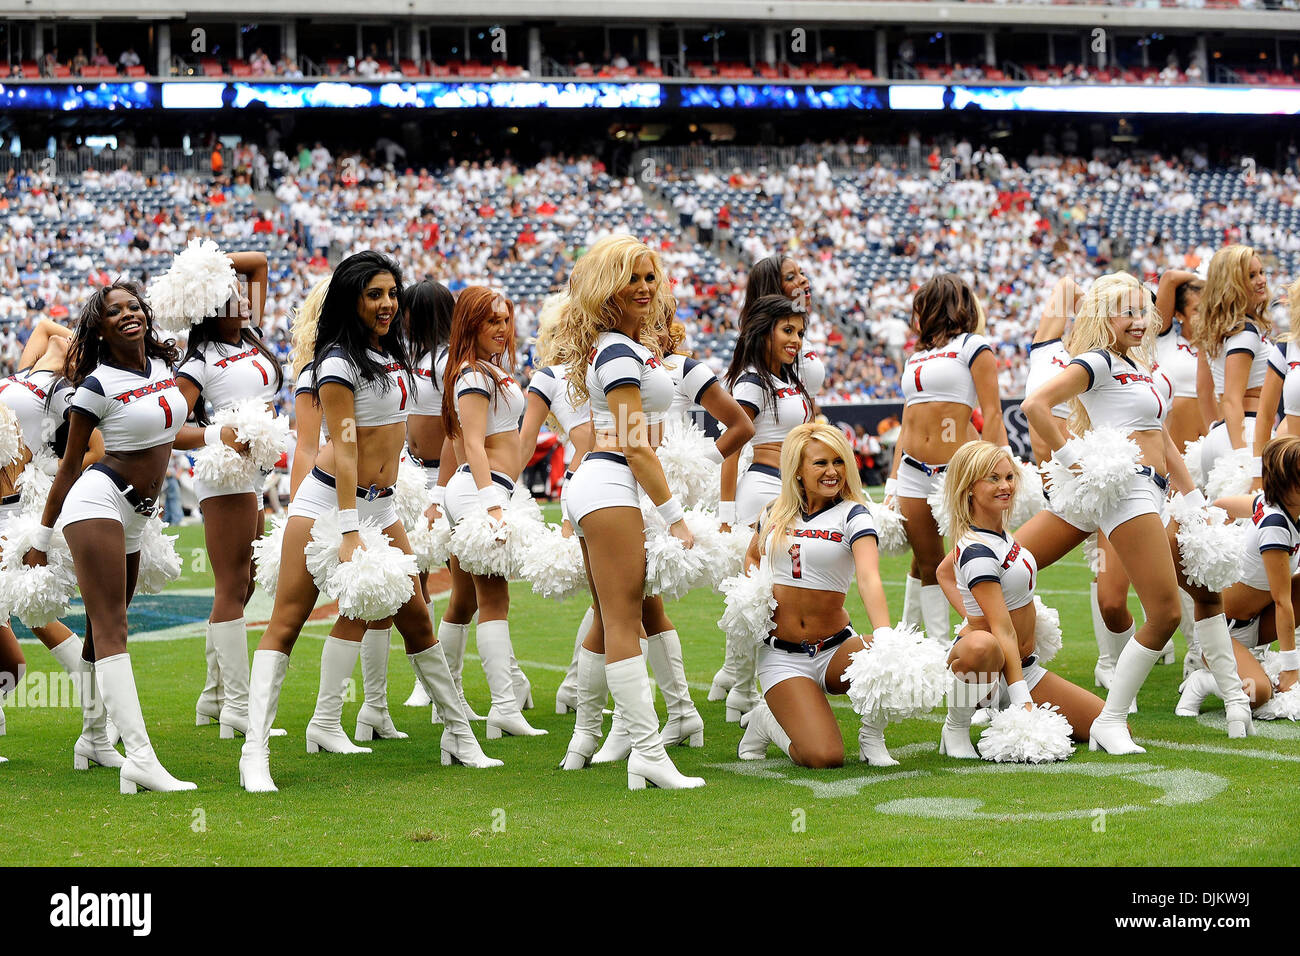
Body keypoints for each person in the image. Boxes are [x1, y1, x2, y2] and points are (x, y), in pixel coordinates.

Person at [239, 252, 498, 793]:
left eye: (391, 293)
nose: (386, 304)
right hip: (331, 505)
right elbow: (348, 447)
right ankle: (254, 752)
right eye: (373, 294)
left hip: (380, 505)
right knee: (286, 623)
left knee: (419, 621)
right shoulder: (335, 364)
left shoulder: (390, 355)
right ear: (351, 299)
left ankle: (459, 736)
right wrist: (352, 529)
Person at [1017, 273, 1214, 752]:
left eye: (1143, 311)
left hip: (1149, 489)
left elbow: (1161, 438)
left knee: (1013, 565)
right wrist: (1075, 464)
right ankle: (1110, 719)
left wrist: (1191, 503)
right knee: (1165, 612)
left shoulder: (1134, 365)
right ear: (1104, 317)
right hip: (1124, 488)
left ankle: (1008, 681)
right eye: (1127, 312)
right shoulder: (1098, 361)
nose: (1139, 320)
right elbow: (1035, 405)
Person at [25, 282, 200, 793]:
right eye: (114, 311)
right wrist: (40, 539)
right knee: (113, 626)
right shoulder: (95, 387)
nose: (128, 314)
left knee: (104, 633)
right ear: (99, 328)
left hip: (138, 516)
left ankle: (93, 737)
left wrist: (221, 435)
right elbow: (67, 469)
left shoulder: (165, 371)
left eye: (133, 306)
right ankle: (140, 758)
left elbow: (173, 434)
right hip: (96, 501)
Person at [551, 235, 704, 789]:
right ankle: (646, 751)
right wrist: (676, 517)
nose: (644, 288)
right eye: (631, 278)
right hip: (611, 482)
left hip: (602, 486)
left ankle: (591, 739)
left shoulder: (621, 346)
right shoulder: (616, 351)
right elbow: (635, 443)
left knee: (612, 617)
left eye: (649, 277)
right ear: (605, 287)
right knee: (622, 620)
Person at [735, 422, 895, 767]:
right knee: (823, 756)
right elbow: (752, 555)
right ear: (798, 469)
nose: (832, 471)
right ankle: (765, 722)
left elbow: (868, 578)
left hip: (837, 647)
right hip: (782, 655)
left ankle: (872, 737)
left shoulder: (854, 513)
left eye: (839, 461)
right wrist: (754, 595)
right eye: (820, 463)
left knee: (888, 661)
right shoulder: (773, 512)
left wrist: (884, 637)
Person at [935, 441, 1105, 757]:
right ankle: (956, 726)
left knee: (1101, 722)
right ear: (969, 488)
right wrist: (1021, 698)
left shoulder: (998, 534)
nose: (1005, 486)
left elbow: (944, 571)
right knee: (982, 645)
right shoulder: (976, 549)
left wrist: (972, 613)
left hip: (1024, 666)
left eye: (1009, 477)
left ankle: (1001, 703)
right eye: (993, 479)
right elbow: (1002, 630)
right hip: (986, 668)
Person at [0, 319, 116, 771]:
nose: (67, 338)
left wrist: (46, 474)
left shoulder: (67, 392)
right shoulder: (28, 371)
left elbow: (97, 451)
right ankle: (98, 715)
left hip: (14, 513)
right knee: (13, 660)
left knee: (30, 630)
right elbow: (49, 325)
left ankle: (98, 712)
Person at [174, 251, 279, 740]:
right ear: (211, 308)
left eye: (239, 294)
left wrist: (208, 268)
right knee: (231, 585)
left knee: (245, 585)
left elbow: (256, 262)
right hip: (226, 473)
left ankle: (213, 697)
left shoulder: (251, 333)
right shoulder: (199, 360)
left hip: (255, 474)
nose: (241, 298)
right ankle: (237, 706)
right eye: (228, 296)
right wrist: (223, 435)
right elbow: (171, 429)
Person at [440, 286, 545, 740]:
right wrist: (492, 507)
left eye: (506, 320)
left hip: (487, 490)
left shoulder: (486, 370)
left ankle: (448, 701)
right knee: (494, 601)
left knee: (465, 601)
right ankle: (503, 706)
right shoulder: (472, 376)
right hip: (480, 492)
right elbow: (473, 445)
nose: (503, 329)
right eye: (492, 321)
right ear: (471, 325)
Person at [888, 275, 1006, 655]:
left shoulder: (974, 346)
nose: (915, 315)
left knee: (966, 562)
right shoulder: (915, 356)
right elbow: (907, 421)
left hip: (956, 472)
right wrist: (892, 481)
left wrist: (995, 471)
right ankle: (935, 649)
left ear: (939, 306)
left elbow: (993, 413)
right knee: (926, 561)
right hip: (910, 470)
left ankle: (967, 640)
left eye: (920, 306)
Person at [713, 294, 814, 721]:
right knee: (760, 597)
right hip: (764, 492)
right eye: (787, 331)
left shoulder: (786, 378)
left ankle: (737, 686)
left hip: (787, 495)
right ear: (764, 331)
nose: (795, 340)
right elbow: (733, 445)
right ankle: (742, 689)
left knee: (771, 596)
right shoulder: (753, 381)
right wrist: (724, 512)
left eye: (799, 332)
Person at [1185, 436, 1300, 716]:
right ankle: (1202, 680)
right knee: (1258, 694)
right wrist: (1290, 669)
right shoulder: (1275, 524)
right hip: (1222, 631)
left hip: (1255, 622)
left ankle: (1242, 662)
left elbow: (1221, 504)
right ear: (1290, 485)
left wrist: (1224, 532)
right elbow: (1282, 602)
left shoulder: (1268, 504)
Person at [518, 307, 595, 716]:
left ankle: (575, 688)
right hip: (589, 483)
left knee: (615, 601)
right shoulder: (553, 376)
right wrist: (499, 495)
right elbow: (526, 440)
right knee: (622, 599)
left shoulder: (612, 361)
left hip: (625, 480)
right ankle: (585, 696)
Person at [397, 279, 460, 718]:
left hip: (443, 477)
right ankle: (428, 682)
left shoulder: (446, 363)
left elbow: (456, 429)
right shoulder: (410, 357)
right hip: (411, 475)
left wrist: (440, 490)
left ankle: (444, 682)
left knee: (462, 581)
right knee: (414, 579)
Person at [1192, 245, 1273, 486]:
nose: (1261, 280)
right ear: (1232, 283)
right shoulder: (1245, 331)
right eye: (1250, 276)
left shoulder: (1215, 329)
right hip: (1247, 435)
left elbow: (1204, 390)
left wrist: (1215, 433)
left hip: (1221, 435)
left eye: (1260, 272)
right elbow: (1231, 398)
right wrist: (1242, 456)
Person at [1154, 269, 1207, 455]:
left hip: (1214, 449)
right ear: (1179, 315)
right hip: (1174, 454)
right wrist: (1204, 279)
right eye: (1197, 310)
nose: (1205, 316)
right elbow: (1170, 278)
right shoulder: (1165, 341)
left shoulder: (1222, 348)